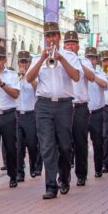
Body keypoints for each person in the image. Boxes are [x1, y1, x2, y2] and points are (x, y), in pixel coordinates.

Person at [26, 22, 81, 199]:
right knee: (47, 146)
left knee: (65, 146)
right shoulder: (38, 57)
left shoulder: (69, 56)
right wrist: (42, 59)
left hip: (64, 105)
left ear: (59, 37)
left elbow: (76, 76)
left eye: (54, 35)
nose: (51, 39)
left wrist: (61, 59)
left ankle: (64, 177)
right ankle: (50, 186)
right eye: (48, 36)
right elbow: (29, 78)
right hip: (43, 104)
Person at [62, 31, 96, 187]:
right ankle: (64, 175)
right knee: (63, 142)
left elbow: (92, 77)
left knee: (80, 142)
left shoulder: (84, 61)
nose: (70, 46)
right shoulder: (59, 59)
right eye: (67, 44)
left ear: (78, 46)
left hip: (80, 106)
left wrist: (77, 62)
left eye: (73, 44)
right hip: (64, 105)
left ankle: (81, 174)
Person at [0, 45, 20, 191]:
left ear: (5, 60)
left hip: (8, 114)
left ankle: (13, 176)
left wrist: (1, 83)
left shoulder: (12, 75)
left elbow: (15, 94)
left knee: (10, 148)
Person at [16, 50, 40, 181]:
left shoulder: (34, 76)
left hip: (31, 114)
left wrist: (28, 77)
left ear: (30, 63)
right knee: (18, 146)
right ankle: (20, 172)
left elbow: (38, 89)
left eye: (26, 61)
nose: (23, 64)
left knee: (32, 144)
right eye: (21, 61)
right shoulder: (14, 77)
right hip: (18, 114)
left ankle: (33, 167)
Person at [85, 46, 108, 178]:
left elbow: (105, 85)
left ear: (96, 60)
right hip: (82, 111)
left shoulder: (100, 73)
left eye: (93, 58)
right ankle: (82, 173)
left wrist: (92, 76)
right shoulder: (80, 71)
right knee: (80, 143)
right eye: (88, 57)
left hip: (97, 112)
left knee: (98, 142)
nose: (91, 60)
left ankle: (98, 168)